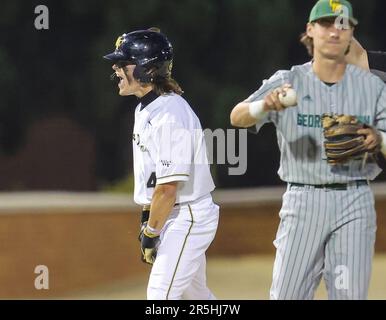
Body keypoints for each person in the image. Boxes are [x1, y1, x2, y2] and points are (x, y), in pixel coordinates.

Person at [230, 0, 386, 299]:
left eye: (343, 25)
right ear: (310, 31)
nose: (334, 31)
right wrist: (265, 105)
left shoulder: (373, 88)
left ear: (352, 34)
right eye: (327, 24)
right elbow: (237, 116)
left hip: (355, 199)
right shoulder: (288, 80)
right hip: (304, 199)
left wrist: (378, 138)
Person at [103, 28, 219, 300]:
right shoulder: (146, 108)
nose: (116, 68)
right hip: (174, 215)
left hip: (187, 216)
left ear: (147, 68)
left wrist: (151, 233)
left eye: (123, 63)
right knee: (197, 297)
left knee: (160, 297)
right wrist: (149, 218)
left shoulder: (170, 114)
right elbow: (154, 180)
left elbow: (168, 189)